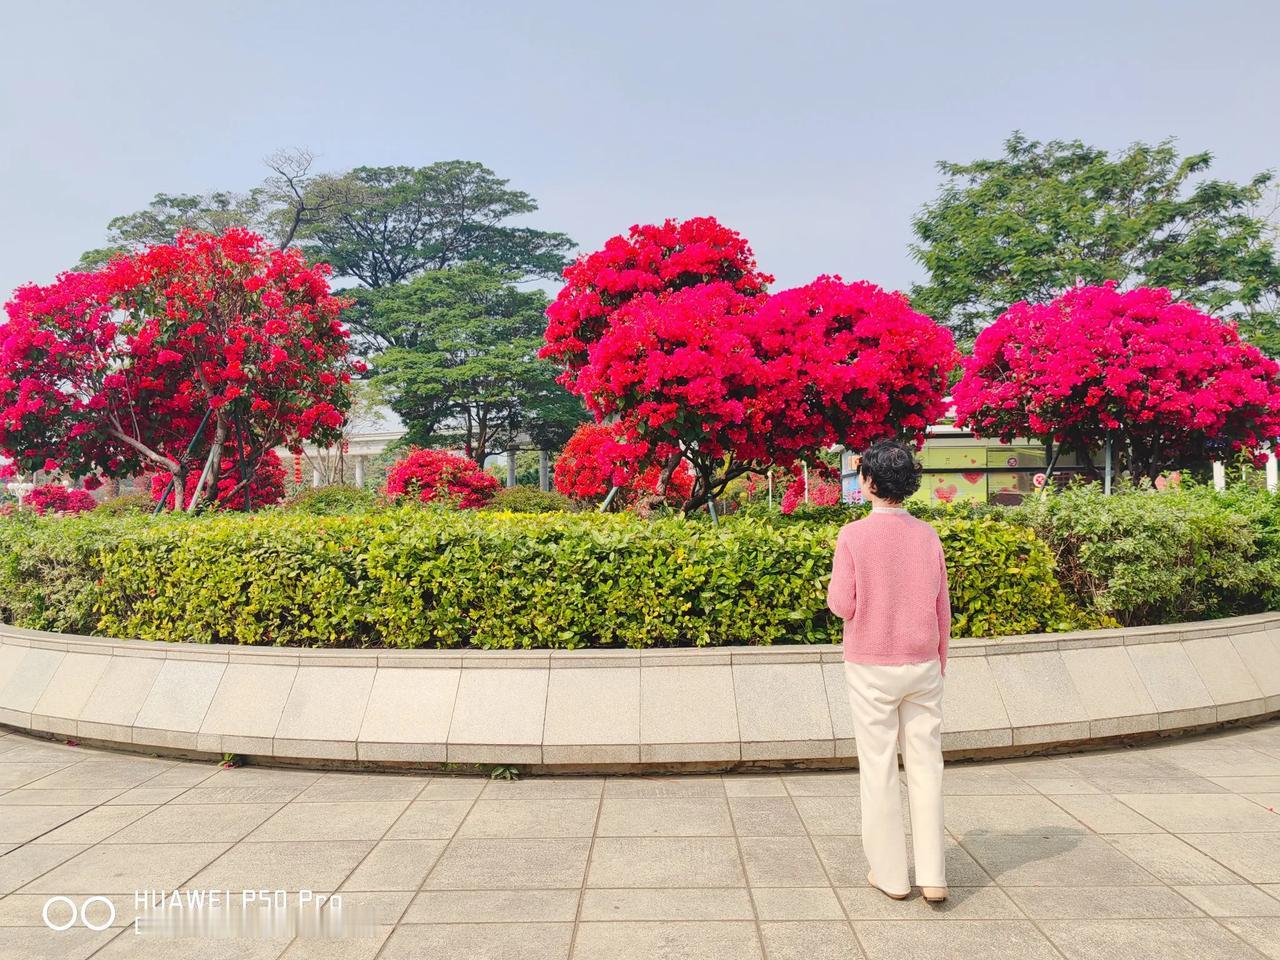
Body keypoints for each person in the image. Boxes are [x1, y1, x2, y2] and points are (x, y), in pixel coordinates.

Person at [826, 439, 950, 904]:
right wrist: (939, 660)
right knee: (927, 767)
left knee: (878, 768)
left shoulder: (853, 536)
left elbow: (842, 604)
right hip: (922, 663)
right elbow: (943, 607)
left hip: (871, 664)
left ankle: (892, 875)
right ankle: (934, 876)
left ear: (871, 482)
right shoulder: (927, 535)